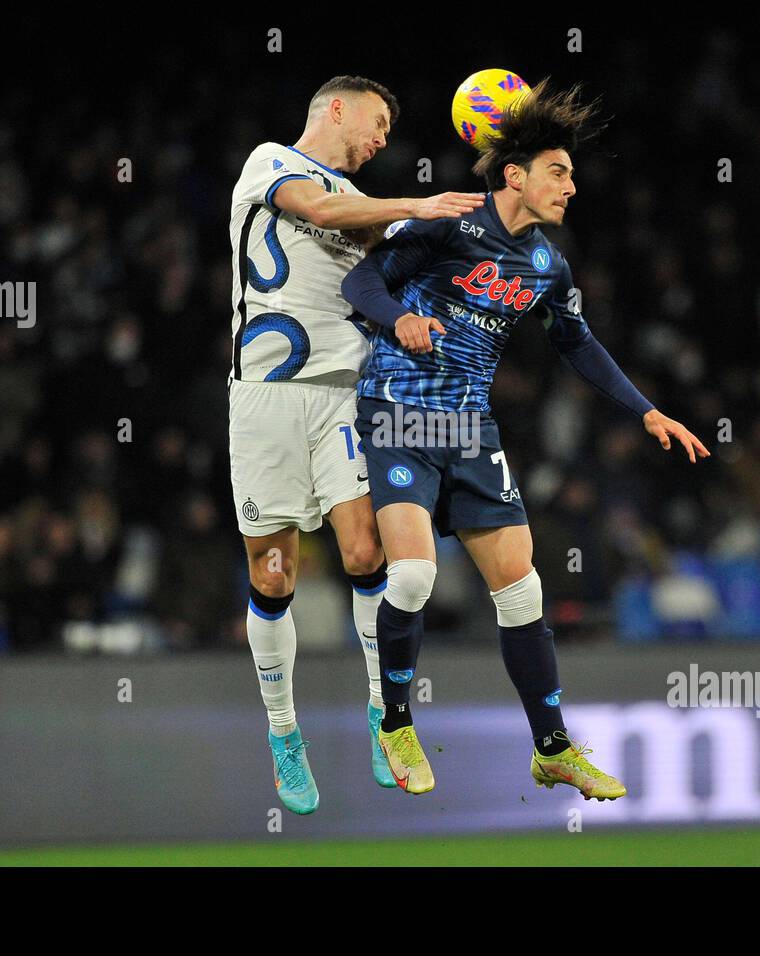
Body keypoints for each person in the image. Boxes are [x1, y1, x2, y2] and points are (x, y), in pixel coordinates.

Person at [341, 81, 710, 798]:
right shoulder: (447, 225)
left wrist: (646, 411)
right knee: (412, 576)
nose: (572, 186)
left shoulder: (546, 266)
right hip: (399, 413)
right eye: (559, 171)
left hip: (471, 429)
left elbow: (579, 343)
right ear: (515, 175)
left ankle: (552, 748)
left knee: (523, 591)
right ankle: (393, 724)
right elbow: (361, 285)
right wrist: (399, 322)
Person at [227, 75, 485, 813]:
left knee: (367, 551)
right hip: (267, 399)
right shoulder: (272, 163)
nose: (380, 141)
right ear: (335, 107)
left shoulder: (362, 208)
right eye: (375, 124)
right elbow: (318, 207)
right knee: (274, 575)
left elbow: (403, 253)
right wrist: (413, 203)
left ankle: (385, 717)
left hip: (347, 394)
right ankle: (284, 732)